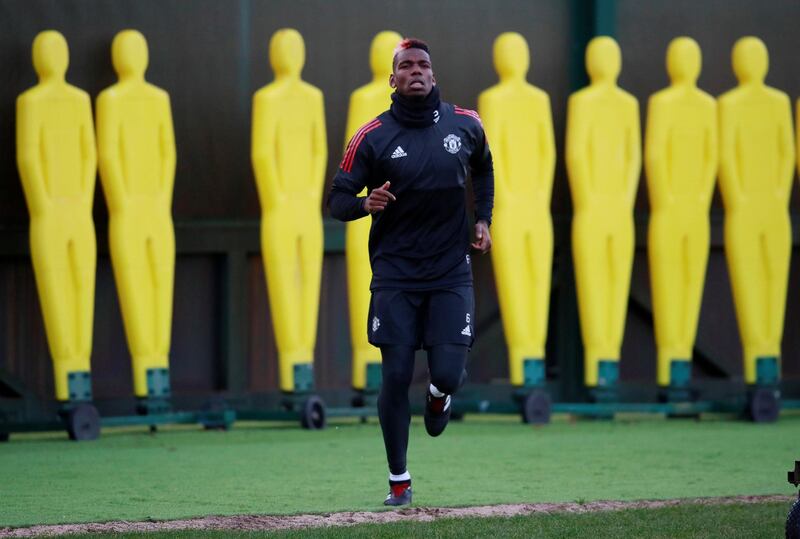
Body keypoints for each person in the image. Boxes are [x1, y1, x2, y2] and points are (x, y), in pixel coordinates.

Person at [327, 38, 494, 506]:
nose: (416, 71)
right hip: (396, 274)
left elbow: (484, 169)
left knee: (448, 372)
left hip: (449, 271)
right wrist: (365, 203)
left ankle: (440, 396)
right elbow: (337, 200)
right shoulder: (372, 136)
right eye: (406, 66)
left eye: (423, 65)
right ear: (393, 79)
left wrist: (483, 219)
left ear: (434, 76)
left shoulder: (467, 124)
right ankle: (398, 480)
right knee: (396, 375)